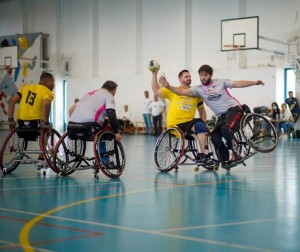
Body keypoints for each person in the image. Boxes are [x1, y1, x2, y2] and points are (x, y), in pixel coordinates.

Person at [160, 64, 264, 167]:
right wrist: (168, 86)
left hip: (234, 110)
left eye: (205, 75)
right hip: (221, 117)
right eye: (201, 75)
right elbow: (181, 91)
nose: (203, 77)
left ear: (210, 75)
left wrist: (254, 82)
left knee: (226, 128)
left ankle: (235, 153)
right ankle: (225, 159)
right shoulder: (198, 89)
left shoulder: (220, 82)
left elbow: (238, 83)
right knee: (214, 137)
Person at [151, 67, 214, 167]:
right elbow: (156, 91)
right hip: (175, 124)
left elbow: (202, 110)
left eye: (190, 76)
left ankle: (202, 155)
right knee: (199, 125)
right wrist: (154, 75)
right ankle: (203, 153)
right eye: (186, 77)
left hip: (189, 123)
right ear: (180, 79)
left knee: (201, 126)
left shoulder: (195, 93)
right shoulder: (173, 90)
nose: (189, 78)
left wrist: (204, 124)